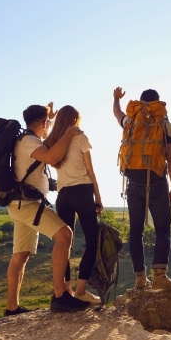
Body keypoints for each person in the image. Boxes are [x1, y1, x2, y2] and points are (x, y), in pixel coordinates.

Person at [4, 102, 90, 315]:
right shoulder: (29, 142)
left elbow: (47, 142)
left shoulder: (25, 140)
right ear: (42, 123)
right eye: (47, 123)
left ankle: (11, 308)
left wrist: (50, 118)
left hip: (18, 204)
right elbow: (52, 156)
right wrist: (69, 133)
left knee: (20, 255)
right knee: (65, 235)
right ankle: (60, 296)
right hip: (27, 204)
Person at [112, 87, 171, 289]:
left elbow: (118, 114)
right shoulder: (165, 124)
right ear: (157, 103)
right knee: (162, 230)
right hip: (157, 182)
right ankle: (159, 276)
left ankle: (140, 279)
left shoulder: (131, 121)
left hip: (133, 183)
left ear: (140, 103)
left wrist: (116, 98)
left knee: (136, 231)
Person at [42, 105, 103, 305]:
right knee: (92, 240)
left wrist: (49, 119)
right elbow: (91, 171)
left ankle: (66, 290)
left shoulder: (54, 142)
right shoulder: (80, 138)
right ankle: (81, 290)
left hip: (63, 195)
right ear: (75, 120)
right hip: (83, 192)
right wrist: (98, 197)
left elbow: (46, 140)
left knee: (65, 243)